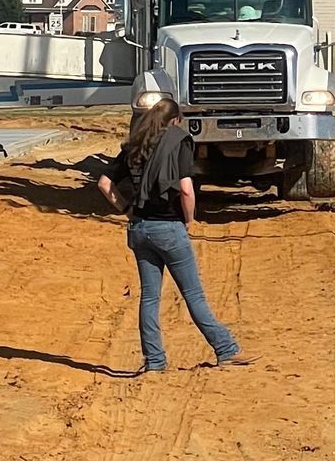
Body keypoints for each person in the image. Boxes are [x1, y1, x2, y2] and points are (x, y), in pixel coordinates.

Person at [97, 99, 248, 373]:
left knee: (149, 297)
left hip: (140, 229)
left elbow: (104, 183)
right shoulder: (178, 142)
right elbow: (186, 189)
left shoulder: (134, 145)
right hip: (168, 228)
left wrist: (128, 210)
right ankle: (226, 349)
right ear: (176, 120)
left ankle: (154, 361)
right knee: (193, 295)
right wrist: (189, 220)